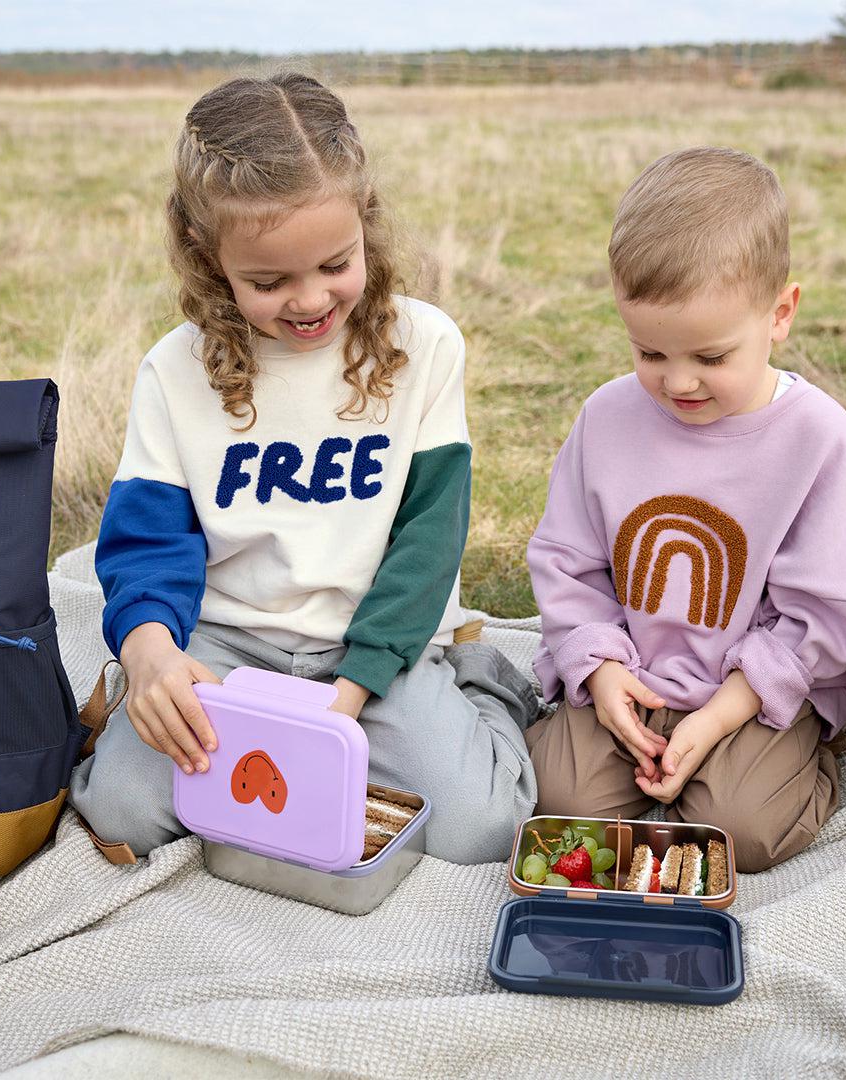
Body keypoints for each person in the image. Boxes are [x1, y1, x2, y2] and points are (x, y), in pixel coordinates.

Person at [70, 72, 538, 864]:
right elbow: (148, 542)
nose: (311, 299)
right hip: (228, 648)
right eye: (269, 281)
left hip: (374, 651)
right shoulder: (173, 371)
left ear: (366, 223)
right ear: (209, 257)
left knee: (479, 829)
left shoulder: (424, 347)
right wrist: (148, 652)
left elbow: (427, 543)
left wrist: (346, 700)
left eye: (334, 264)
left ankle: (479, 683)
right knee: (121, 815)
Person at [525, 146, 846, 872]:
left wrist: (717, 718)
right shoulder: (606, 417)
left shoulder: (819, 439)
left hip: (752, 691)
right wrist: (601, 673)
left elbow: (816, 615)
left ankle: (807, 753)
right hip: (633, 668)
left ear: (780, 314)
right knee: (562, 807)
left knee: (736, 833)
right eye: (649, 353)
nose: (678, 382)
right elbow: (567, 562)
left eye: (711, 358)